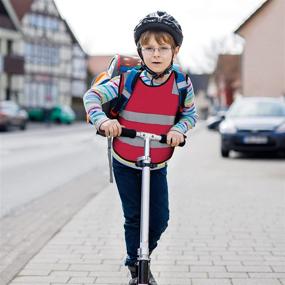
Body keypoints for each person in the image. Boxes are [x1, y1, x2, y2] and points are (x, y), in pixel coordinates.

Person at [83, 11, 198, 285]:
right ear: (140, 51)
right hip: (125, 158)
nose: (156, 54)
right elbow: (93, 96)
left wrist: (177, 130)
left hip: (156, 162)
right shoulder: (127, 81)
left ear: (175, 50)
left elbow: (190, 115)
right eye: (149, 48)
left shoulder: (182, 83)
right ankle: (138, 270)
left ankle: (137, 259)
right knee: (134, 217)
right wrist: (104, 121)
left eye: (163, 48)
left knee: (159, 219)